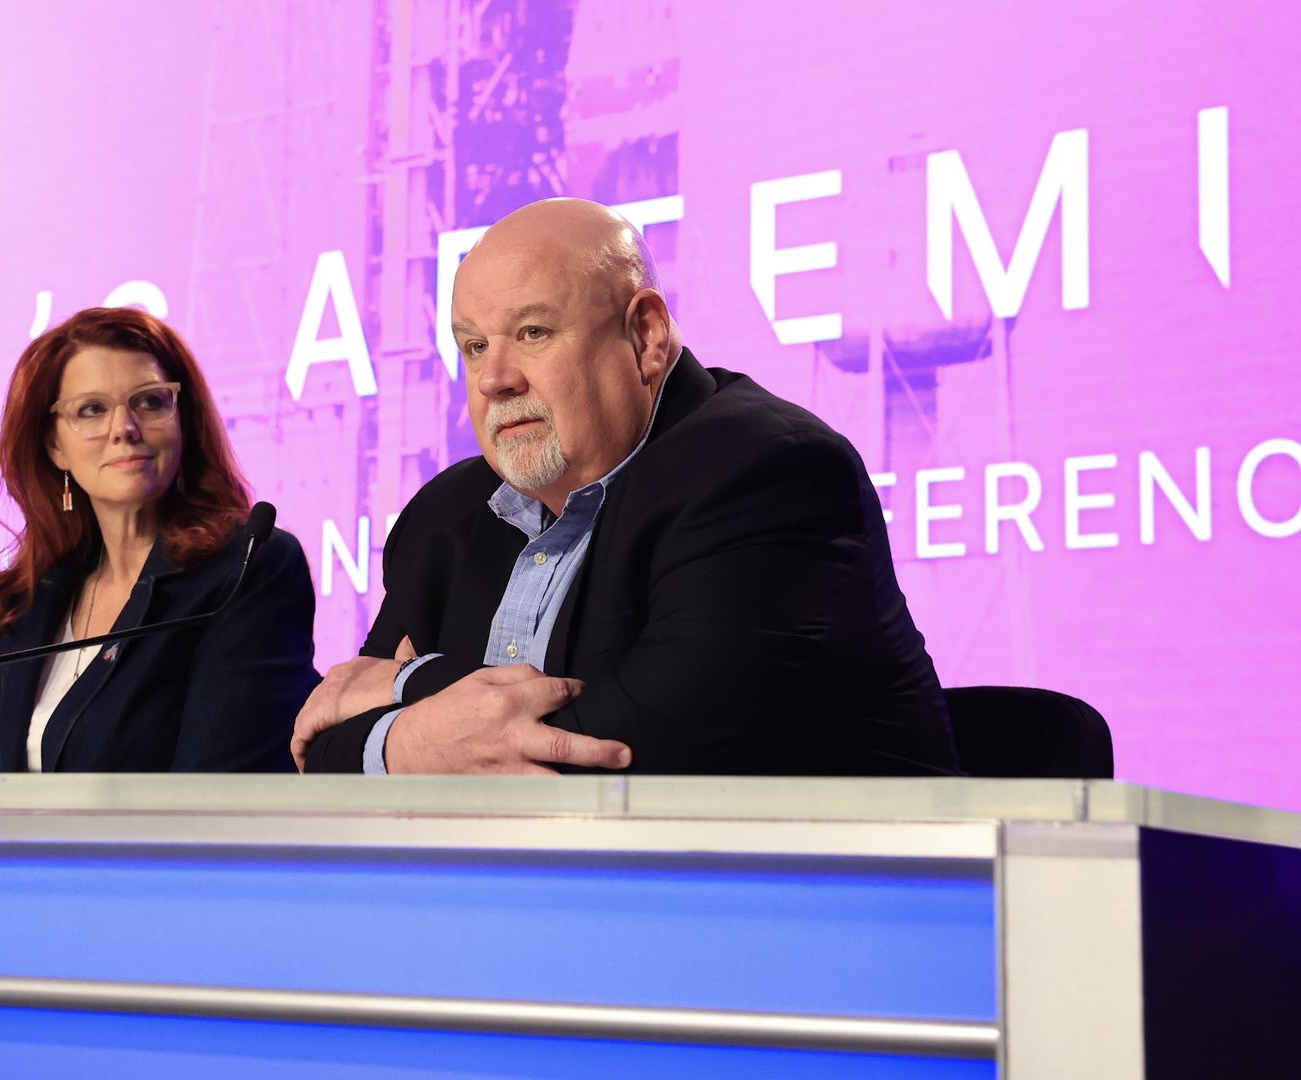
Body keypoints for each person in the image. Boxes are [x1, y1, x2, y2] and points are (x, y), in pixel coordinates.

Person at [295, 198, 960, 776]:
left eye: (532, 333)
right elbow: (320, 747)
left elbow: (631, 749)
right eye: (473, 346)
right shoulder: (443, 517)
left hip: (803, 910)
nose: (494, 378)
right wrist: (409, 742)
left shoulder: (768, 474)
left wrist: (407, 689)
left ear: (645, 335)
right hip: (526, 908)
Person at [0, 307, 317, 772]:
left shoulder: (247, 570)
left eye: (149, 402)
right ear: (55, 447)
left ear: (181, 422)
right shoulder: (28, 603)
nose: (124, 429)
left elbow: (219, 796)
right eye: (91, 410)